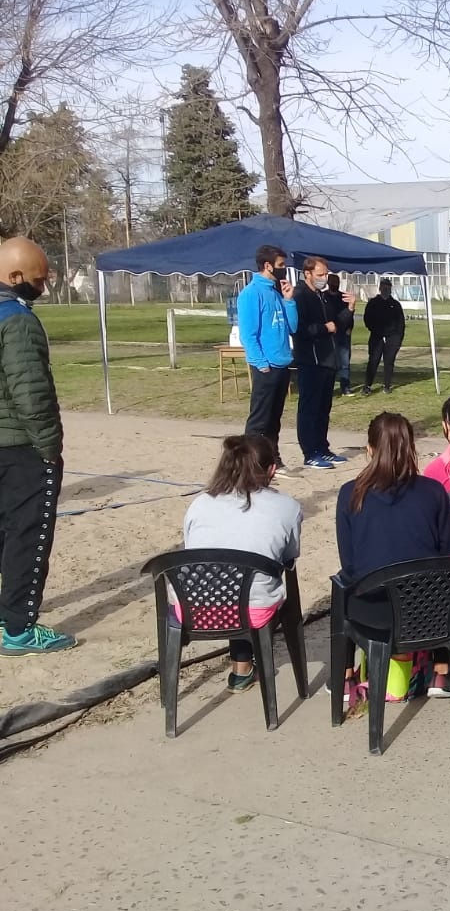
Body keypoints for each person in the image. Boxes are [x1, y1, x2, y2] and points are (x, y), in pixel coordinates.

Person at [336, 413, 450, 699]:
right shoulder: (433, 491)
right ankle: (441, 670)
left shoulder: (350, 493)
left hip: (374, 610)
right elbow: (449, 553)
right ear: (410, 448)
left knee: (342, 586)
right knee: (443, 578)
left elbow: (348, 561)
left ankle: (344, 675)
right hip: (427, 609)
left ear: (369, 449)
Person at [0, 236, 75, 655]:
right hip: (20, 447)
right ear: (15, 276)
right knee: (27, 535)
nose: (43, 288)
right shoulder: (17, 320)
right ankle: (18, 628)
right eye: (39, 280)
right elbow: (31, 392)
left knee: (4, 533)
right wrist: (49, 447)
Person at [181, 435, 302, 692]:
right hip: (252, 608)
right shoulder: (287, 507)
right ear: (272, 470)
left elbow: (192, 550)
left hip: (195, 607)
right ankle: (243, 668)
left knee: (231, 579)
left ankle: (241, 669)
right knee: (250, 584)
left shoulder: (200, 504)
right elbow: (290, 556)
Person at [239, 244, 298, 468]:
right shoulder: (251, 293)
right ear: (268, 265)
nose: (284, 269)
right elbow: (248, 334)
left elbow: (292, 327)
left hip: (283, 362)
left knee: (274, 419)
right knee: (259, 419)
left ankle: (272, 459)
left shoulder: (276, 292)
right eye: (281, 265)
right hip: (266, 366)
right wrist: (260, 362)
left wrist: (289, 300)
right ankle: (250, 464)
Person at [293, 256, 346, 470]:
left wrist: (350, 309)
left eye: (326, 274)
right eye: (320, 274)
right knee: (309, 408)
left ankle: (322, 447)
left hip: (328, 359)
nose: (324, 278)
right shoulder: (300, 295)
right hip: (310, 360)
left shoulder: (322, 296)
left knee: (324, 408)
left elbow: (336, 323)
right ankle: (310, 452)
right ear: (307, 274)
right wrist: (324, 328)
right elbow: (299, 329)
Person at [363, 278, 405, 395]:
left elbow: (401, 323)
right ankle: (367, 386)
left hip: (392, 337)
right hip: (377, 336)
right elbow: (367, 318)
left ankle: (387, 386)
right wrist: (374, 329)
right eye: (384, 287)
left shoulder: (395, 304)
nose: (386, 289)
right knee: (373, 360)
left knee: (389, 361)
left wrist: (399, 338)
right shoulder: (373, 303)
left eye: (388, 287)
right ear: (380, 288)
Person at [324, 273, 356, 397]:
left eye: (336, 282)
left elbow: (350, 314)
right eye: (332, 282)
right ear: (328, 283)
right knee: (330, 362)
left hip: (343, 333)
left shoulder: (343, 297)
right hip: (330, 333)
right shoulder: (324, 296)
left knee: (344, 362)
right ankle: (328, 387)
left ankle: (345, 387)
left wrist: (350, 327)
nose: (334, 284)